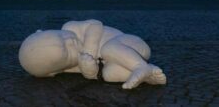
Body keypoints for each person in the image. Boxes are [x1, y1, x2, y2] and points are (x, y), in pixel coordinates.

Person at [19, 19, 166, 89]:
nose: (71, 42)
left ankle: (140, 66)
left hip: (130, 45)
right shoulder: (70, 67)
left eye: (61, 37)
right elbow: (93, 73)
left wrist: (89, 53)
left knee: (108, 49)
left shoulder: (70, 27)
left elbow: (95, 24)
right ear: (55, 71)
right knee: (108, 74)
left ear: (43, 31)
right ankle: (148, 75)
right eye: (67, 52)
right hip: (116, 62)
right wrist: (90, 72)